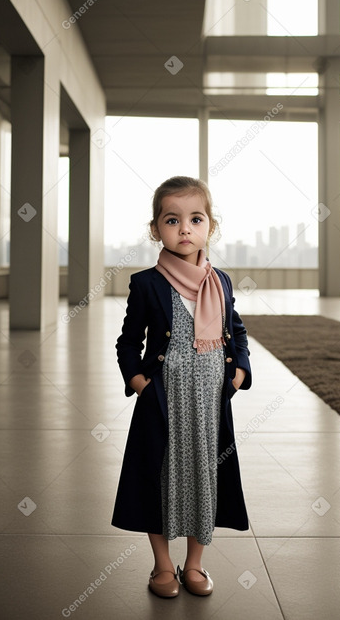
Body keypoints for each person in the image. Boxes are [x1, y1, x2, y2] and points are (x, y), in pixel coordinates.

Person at [111, 176, 252, 598]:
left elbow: (237, 331)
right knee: (158, 479)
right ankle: (161, 567)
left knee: (204, 480)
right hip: (164, 402)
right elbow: (128, 341)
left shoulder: (221, 281)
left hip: (209, 403)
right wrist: (139, 383)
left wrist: (239, 371)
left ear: (211, 226)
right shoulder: (148, 283)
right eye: (172, 220)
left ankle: (194, 565)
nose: (184, 229)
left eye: (195, 219)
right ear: (156, 229)